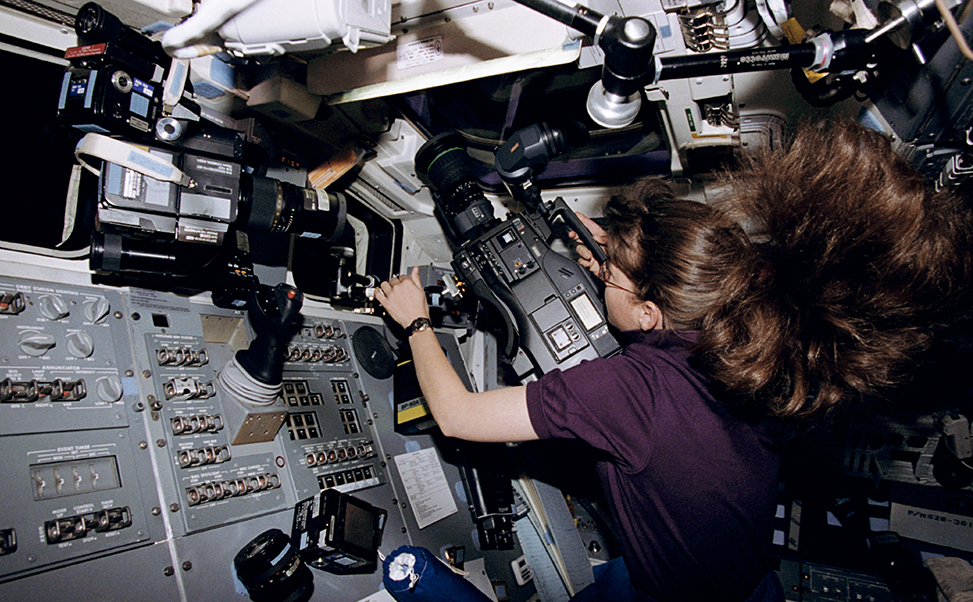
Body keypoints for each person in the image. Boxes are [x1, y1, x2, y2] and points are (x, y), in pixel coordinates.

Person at [373, 119, 973, 602]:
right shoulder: (761, 334)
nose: (598, 273)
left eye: (607, 274)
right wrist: (611, 247)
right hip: (746, 583)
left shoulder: (629, 393)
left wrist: (416, 320)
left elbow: (454, 416)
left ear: (652, 313)